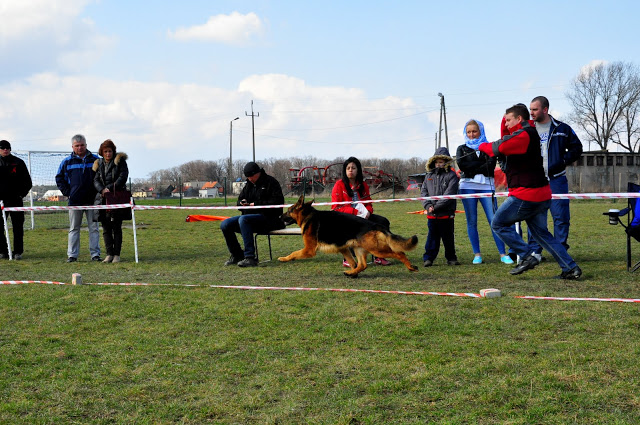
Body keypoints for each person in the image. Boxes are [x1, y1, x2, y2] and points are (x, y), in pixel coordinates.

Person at [478, 104, 582, 279]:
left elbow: (497, 148)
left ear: (519, 119)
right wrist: (506, 119)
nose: (506, 123)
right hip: (540, 194)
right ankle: (571, 268)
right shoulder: (525, 133)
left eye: (508, 120)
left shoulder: (524, 135)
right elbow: (505, 135)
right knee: (542, 234)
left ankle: (527, 256)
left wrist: (480, 145)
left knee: (498, 224)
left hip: (526, 195)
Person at [528, 95, 583, 255]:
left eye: (535, 109)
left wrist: (563, 160)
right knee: (535, 217)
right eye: (530, 109)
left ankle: (560, 251)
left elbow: (577, 148)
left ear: (545, 109)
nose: (531, 113)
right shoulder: (527, 130)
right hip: (534, 181)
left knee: (561, 217)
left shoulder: (562, 129)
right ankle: (535, 252)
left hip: (556, 179)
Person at [456, 120, 513, 265]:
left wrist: (472, 168)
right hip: (467, 186)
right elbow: (463, 166)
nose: (472, 134)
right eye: (469, 132)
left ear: (480, 131)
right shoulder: (461, 148)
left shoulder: (489, 146)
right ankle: (477, 254)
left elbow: (490, 165)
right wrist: (478, 166)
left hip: (487, 186)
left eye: (474, 131)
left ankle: (503, 254)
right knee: (471, 221)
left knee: (494, 220)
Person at [220, 161, 285, 267]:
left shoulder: (271, 182)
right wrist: (242, 203)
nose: (249, 179)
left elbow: (278, 202)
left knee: (243, 220)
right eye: (247, 177)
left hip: (270, 219)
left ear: (257, 173)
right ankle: (237, 255)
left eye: (251, 176)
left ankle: (250, 257)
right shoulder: (248, 185)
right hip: (249, 220)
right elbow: (239, 201)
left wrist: (255, 204)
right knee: (225, 224)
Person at [331, 156, 391, 266]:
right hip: (346, 218)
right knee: (351, 227)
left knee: (383, 222)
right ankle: (348, 259)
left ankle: (379, 256)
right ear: (345, 171)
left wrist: (368, 212)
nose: (350, 170)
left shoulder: (363, 185)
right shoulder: (339, 185)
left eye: (353, 168)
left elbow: (369, 203)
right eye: (348, 168)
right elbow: (335, 208)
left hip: (364, 216)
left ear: (358, 170)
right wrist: (354, 212)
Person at [55, 134, 101, 263]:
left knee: (94, 228)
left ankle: (95, 254)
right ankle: (72, 255)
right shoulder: (66, 162)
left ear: (86, 145)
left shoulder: (96, 160)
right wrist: (68, 193)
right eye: (77, 146)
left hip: (93, 201)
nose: (80, 148)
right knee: (74, 228)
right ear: (72, 147)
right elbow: (59, 178)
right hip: (75, 201)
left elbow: (101, 177)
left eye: (82, 145)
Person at [420, 147, 460, 267]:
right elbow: (424, 192)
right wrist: (428, 205)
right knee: (432, 237)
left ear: (446, 162)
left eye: (441, 162)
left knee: (448, 238)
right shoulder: (428, 176)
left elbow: (449, 194)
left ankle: (451, 258)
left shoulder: (452, 175)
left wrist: (436, 207)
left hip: (446, 213)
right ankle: (428, 258)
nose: (438, 164)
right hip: (432, 214)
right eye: (436, 162)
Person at [93, 139, 129, 263]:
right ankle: (109, 254)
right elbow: (95, 180)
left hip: (117, 198)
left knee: (117, 227)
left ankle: (117, 255)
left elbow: (123, 177)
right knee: (106, 228)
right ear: (102, 152)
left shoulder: (120, 161)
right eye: (106, 151)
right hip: (103, 199)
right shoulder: (98, 163)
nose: (108, 154)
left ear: (113, 151)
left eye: (110, 151)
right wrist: (102, 189)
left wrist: (110, 188)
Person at [0, 140, 32, 260]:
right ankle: (3, 251)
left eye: (7, 148)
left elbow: (27, 182)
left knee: (18, 227)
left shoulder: (18, 163)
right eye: (3, 148)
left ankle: (18, 252)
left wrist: (20, 195)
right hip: (0, 201)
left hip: (15, 201)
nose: (5, 150)